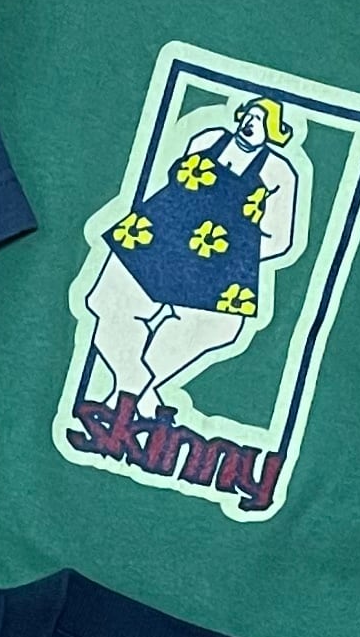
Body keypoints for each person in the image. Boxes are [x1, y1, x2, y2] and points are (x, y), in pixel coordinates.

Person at [83, 96, 300, 415]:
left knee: (220, 327)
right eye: (249, 115)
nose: (251, 123)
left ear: (272, 131)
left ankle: (128, 399)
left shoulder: (279, 173)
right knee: (106, 301)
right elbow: (179, 186)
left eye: (261, 120)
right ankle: (137, 393)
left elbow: (280, 240)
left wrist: (231, 257)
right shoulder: (208, 139)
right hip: (164, 238)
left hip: (219, 263)